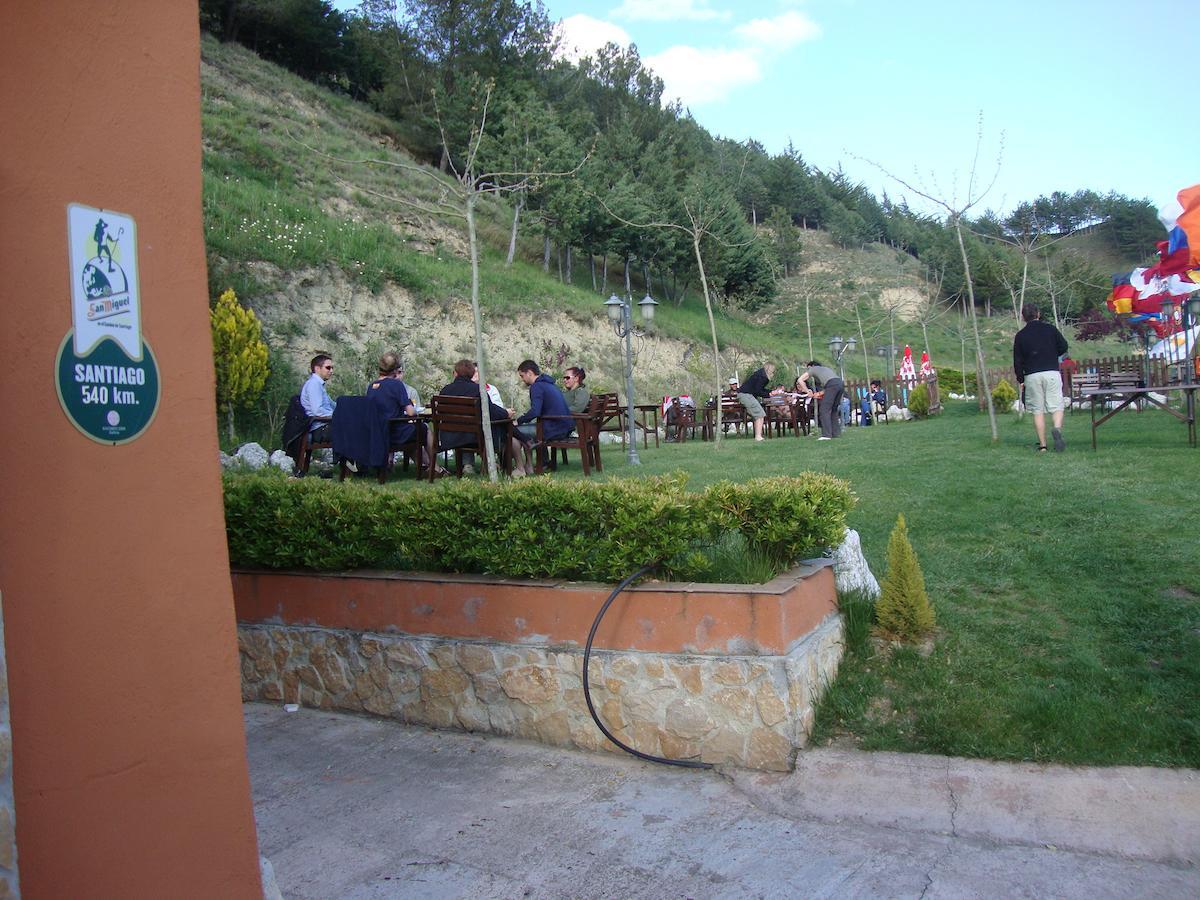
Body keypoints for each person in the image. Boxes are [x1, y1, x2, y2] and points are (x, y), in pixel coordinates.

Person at [438, 359, 524, 476]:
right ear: (472, 374)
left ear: (456, 373)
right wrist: (505, 413)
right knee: (502, 427)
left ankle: (469, 466)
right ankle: (513, 458)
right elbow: (491, 411)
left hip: (449, 436)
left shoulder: (445, 390)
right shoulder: (477, 390)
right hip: (472, 437)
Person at [365, 351, 443, 476]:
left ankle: (424, 466)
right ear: (395, 370)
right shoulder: (396, 385)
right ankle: (435, 467)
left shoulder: (371, 386)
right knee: (424, 429)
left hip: (377, 432)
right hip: (394, 432)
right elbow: (411, 412)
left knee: (413, 432)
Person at [1013, 303, 1069, 452]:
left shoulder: (1020, 336)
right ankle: (1056, 428)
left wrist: (1021, 379)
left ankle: (1043, 446)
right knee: (1056, 406)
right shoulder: (1050, 329)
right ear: (1038, 313)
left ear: (1023, 317)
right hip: (1051, 372)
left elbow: (1017, 361)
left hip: (1032, 375)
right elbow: (1064, 346)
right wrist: (1051, 352)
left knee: (1038, 411)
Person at [509, 360, 573, 472]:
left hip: (554, 428)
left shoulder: (537, 387)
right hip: (564, 426)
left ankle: (521, 468)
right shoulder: (549, 384)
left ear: (529, 373)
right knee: (528, 429)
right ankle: (533, 464)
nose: (522, 379)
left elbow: (535, 412)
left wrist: (518, 421)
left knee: (514, 431)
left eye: (522, 376)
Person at [797, 360, 845, 440]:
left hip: (832, 385)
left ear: (811, 367)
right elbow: (830, 386)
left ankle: (826, 435)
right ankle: (835, 433)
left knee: (824, 410)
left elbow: (800, 380)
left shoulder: (813, 369)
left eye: (808, 369)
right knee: (833, 409)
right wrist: (819, 394)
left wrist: (807, 391)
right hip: (840, 383)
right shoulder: (825, 369)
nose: (808, 371)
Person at [737, 362, 778, 442]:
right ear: (770, 370)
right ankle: (758, 436)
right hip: (746, 395)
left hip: (744, 394)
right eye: (773, 371)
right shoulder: (763, 377)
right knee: (760, 414)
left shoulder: (760, 375)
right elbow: (758, 391)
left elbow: (759, 389)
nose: (774, 373)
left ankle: (758, 435)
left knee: (759, 415)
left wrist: (770, 392)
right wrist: (769, 394)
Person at [300, 353, 336, 443]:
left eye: (332, 368)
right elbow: (318, 410)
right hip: (319, 429)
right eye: (328, 368)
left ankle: (344, 456)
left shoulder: (319, 385)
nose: (331, 371)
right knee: (355, 430)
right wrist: (337, 416)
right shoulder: (314, 384)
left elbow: (333, 405)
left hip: (325, 426)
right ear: (317, 368)